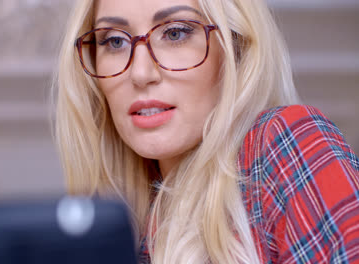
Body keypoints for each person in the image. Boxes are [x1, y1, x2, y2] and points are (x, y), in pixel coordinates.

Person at [54, 0, 359, 263]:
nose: (140, 73)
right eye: (115, 41)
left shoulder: (285, 142)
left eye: (175, 33)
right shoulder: (125, 230)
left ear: (235, 49)